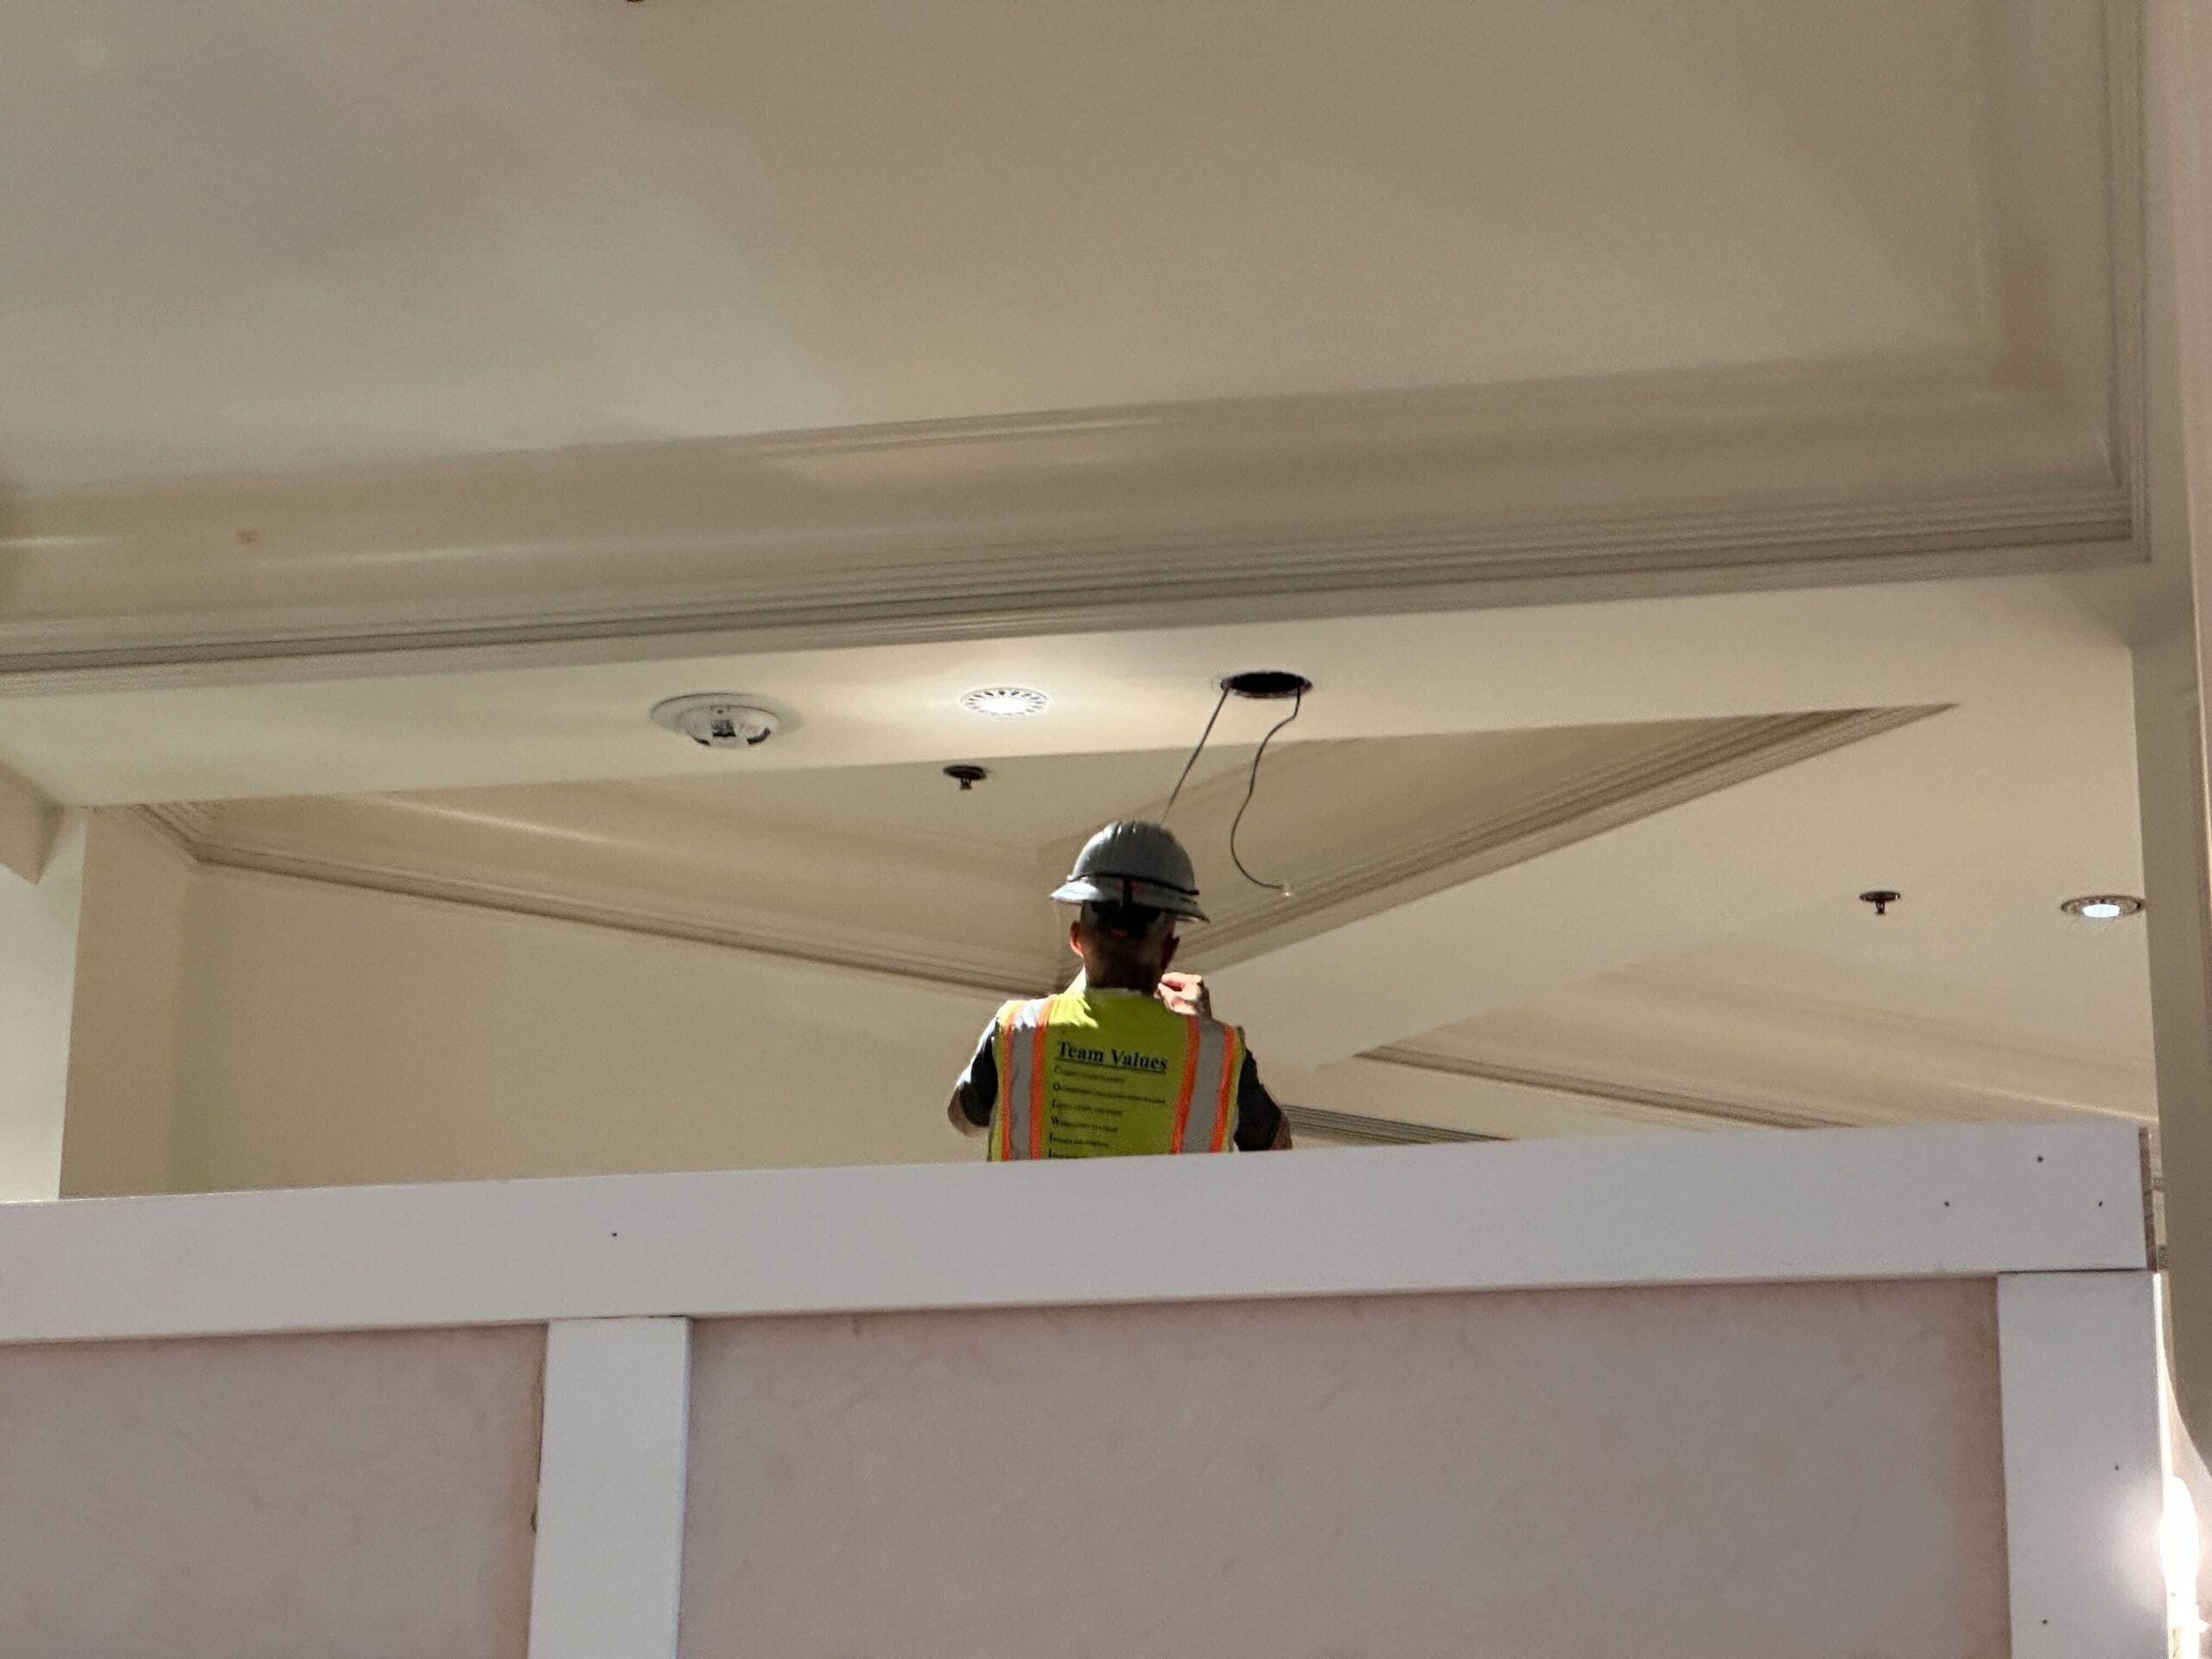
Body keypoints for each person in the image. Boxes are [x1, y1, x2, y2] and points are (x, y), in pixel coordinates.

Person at [948, 821, 1292, 1157]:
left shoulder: (1017, 1029)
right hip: (1165, 1217)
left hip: (1034, 1216)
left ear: (1076, 938)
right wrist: (1199, 1028)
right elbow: (1276, 1147)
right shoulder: (1217, 1052)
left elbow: (964, 1117)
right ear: (1169, 951)